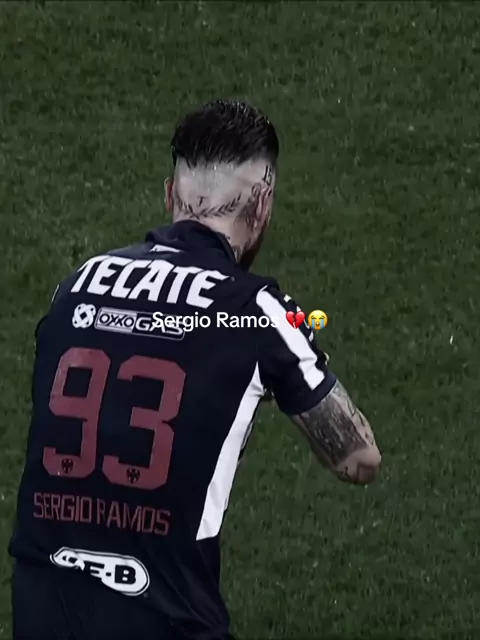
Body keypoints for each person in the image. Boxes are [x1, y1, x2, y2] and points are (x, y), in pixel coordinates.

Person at [9, 99, 381, 640]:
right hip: (166, 618)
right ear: (263, 205)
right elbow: (358, 459)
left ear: (170, 195)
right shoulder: (256, 310)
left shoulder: (77, 284)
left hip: (43, 610)